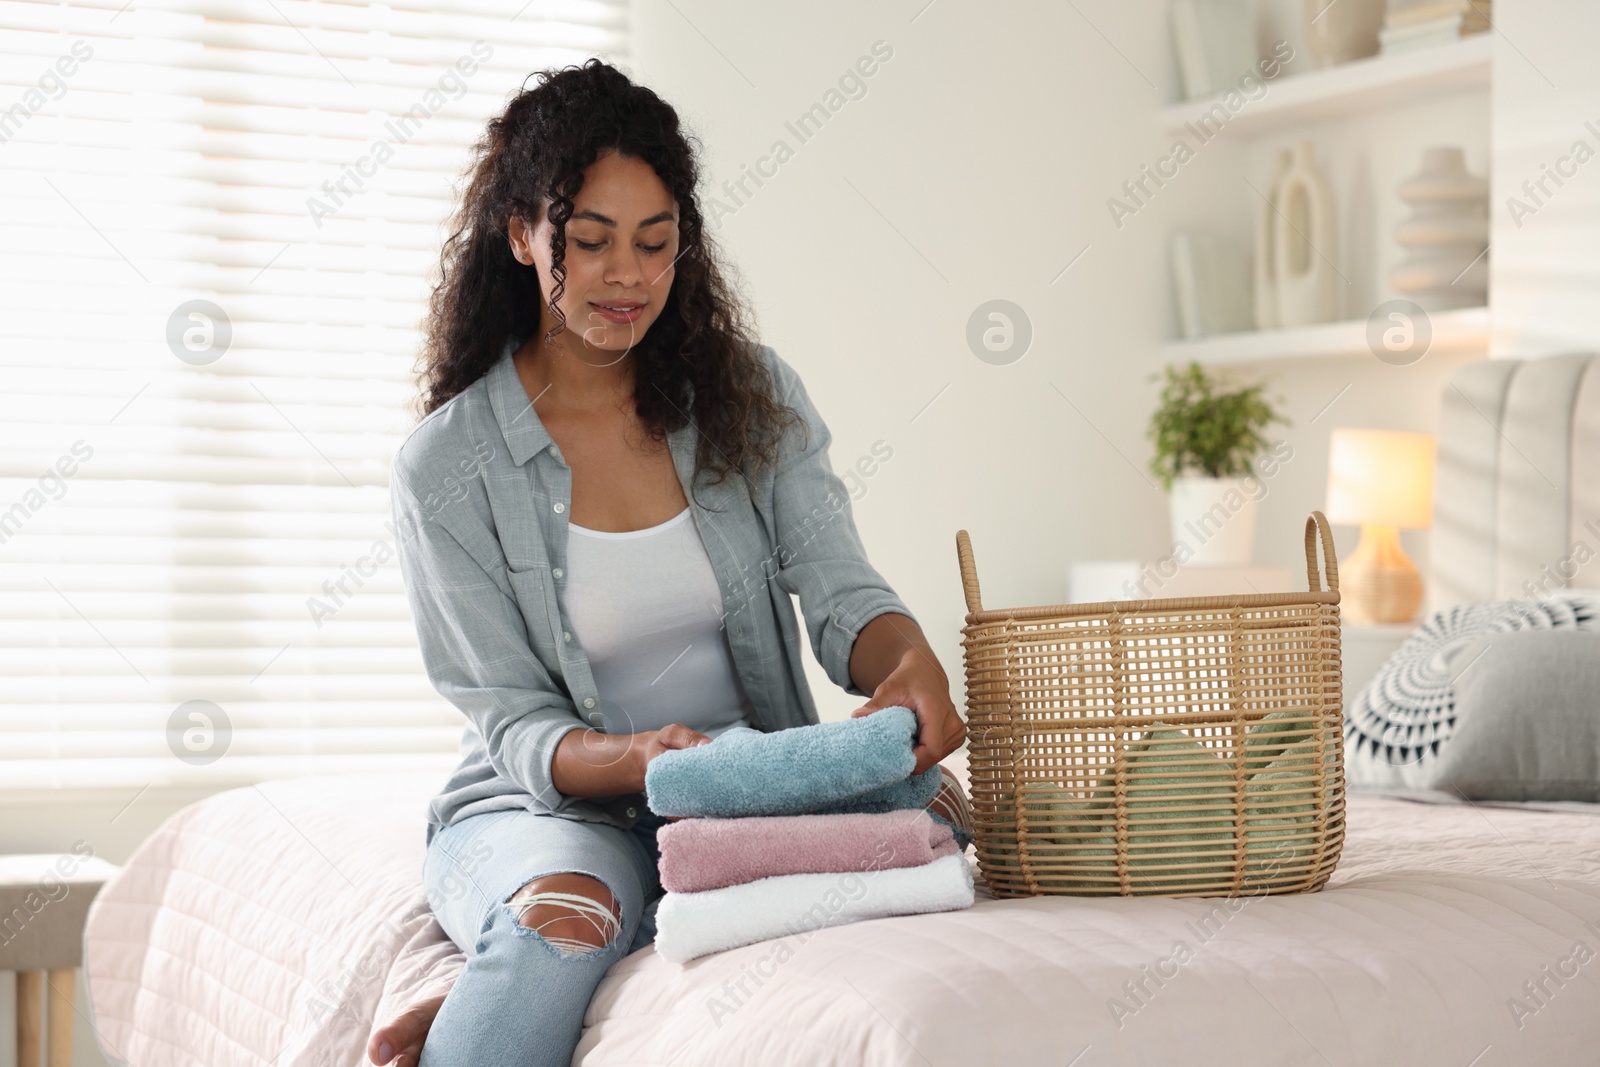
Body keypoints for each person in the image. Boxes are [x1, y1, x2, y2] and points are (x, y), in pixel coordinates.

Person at [366, 58, 968, 1067]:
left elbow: (841, 588)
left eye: (656, 242)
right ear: (522, 234)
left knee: (945, 822)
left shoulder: (748, 396)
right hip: (553, 803)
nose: (629, 277)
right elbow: (516, 723)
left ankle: (484, 994)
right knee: (563, 916)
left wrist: (905, 661)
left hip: (742, 784)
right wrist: (644, 759)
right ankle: (520, 966)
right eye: (590, 241)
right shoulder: (446, 467)